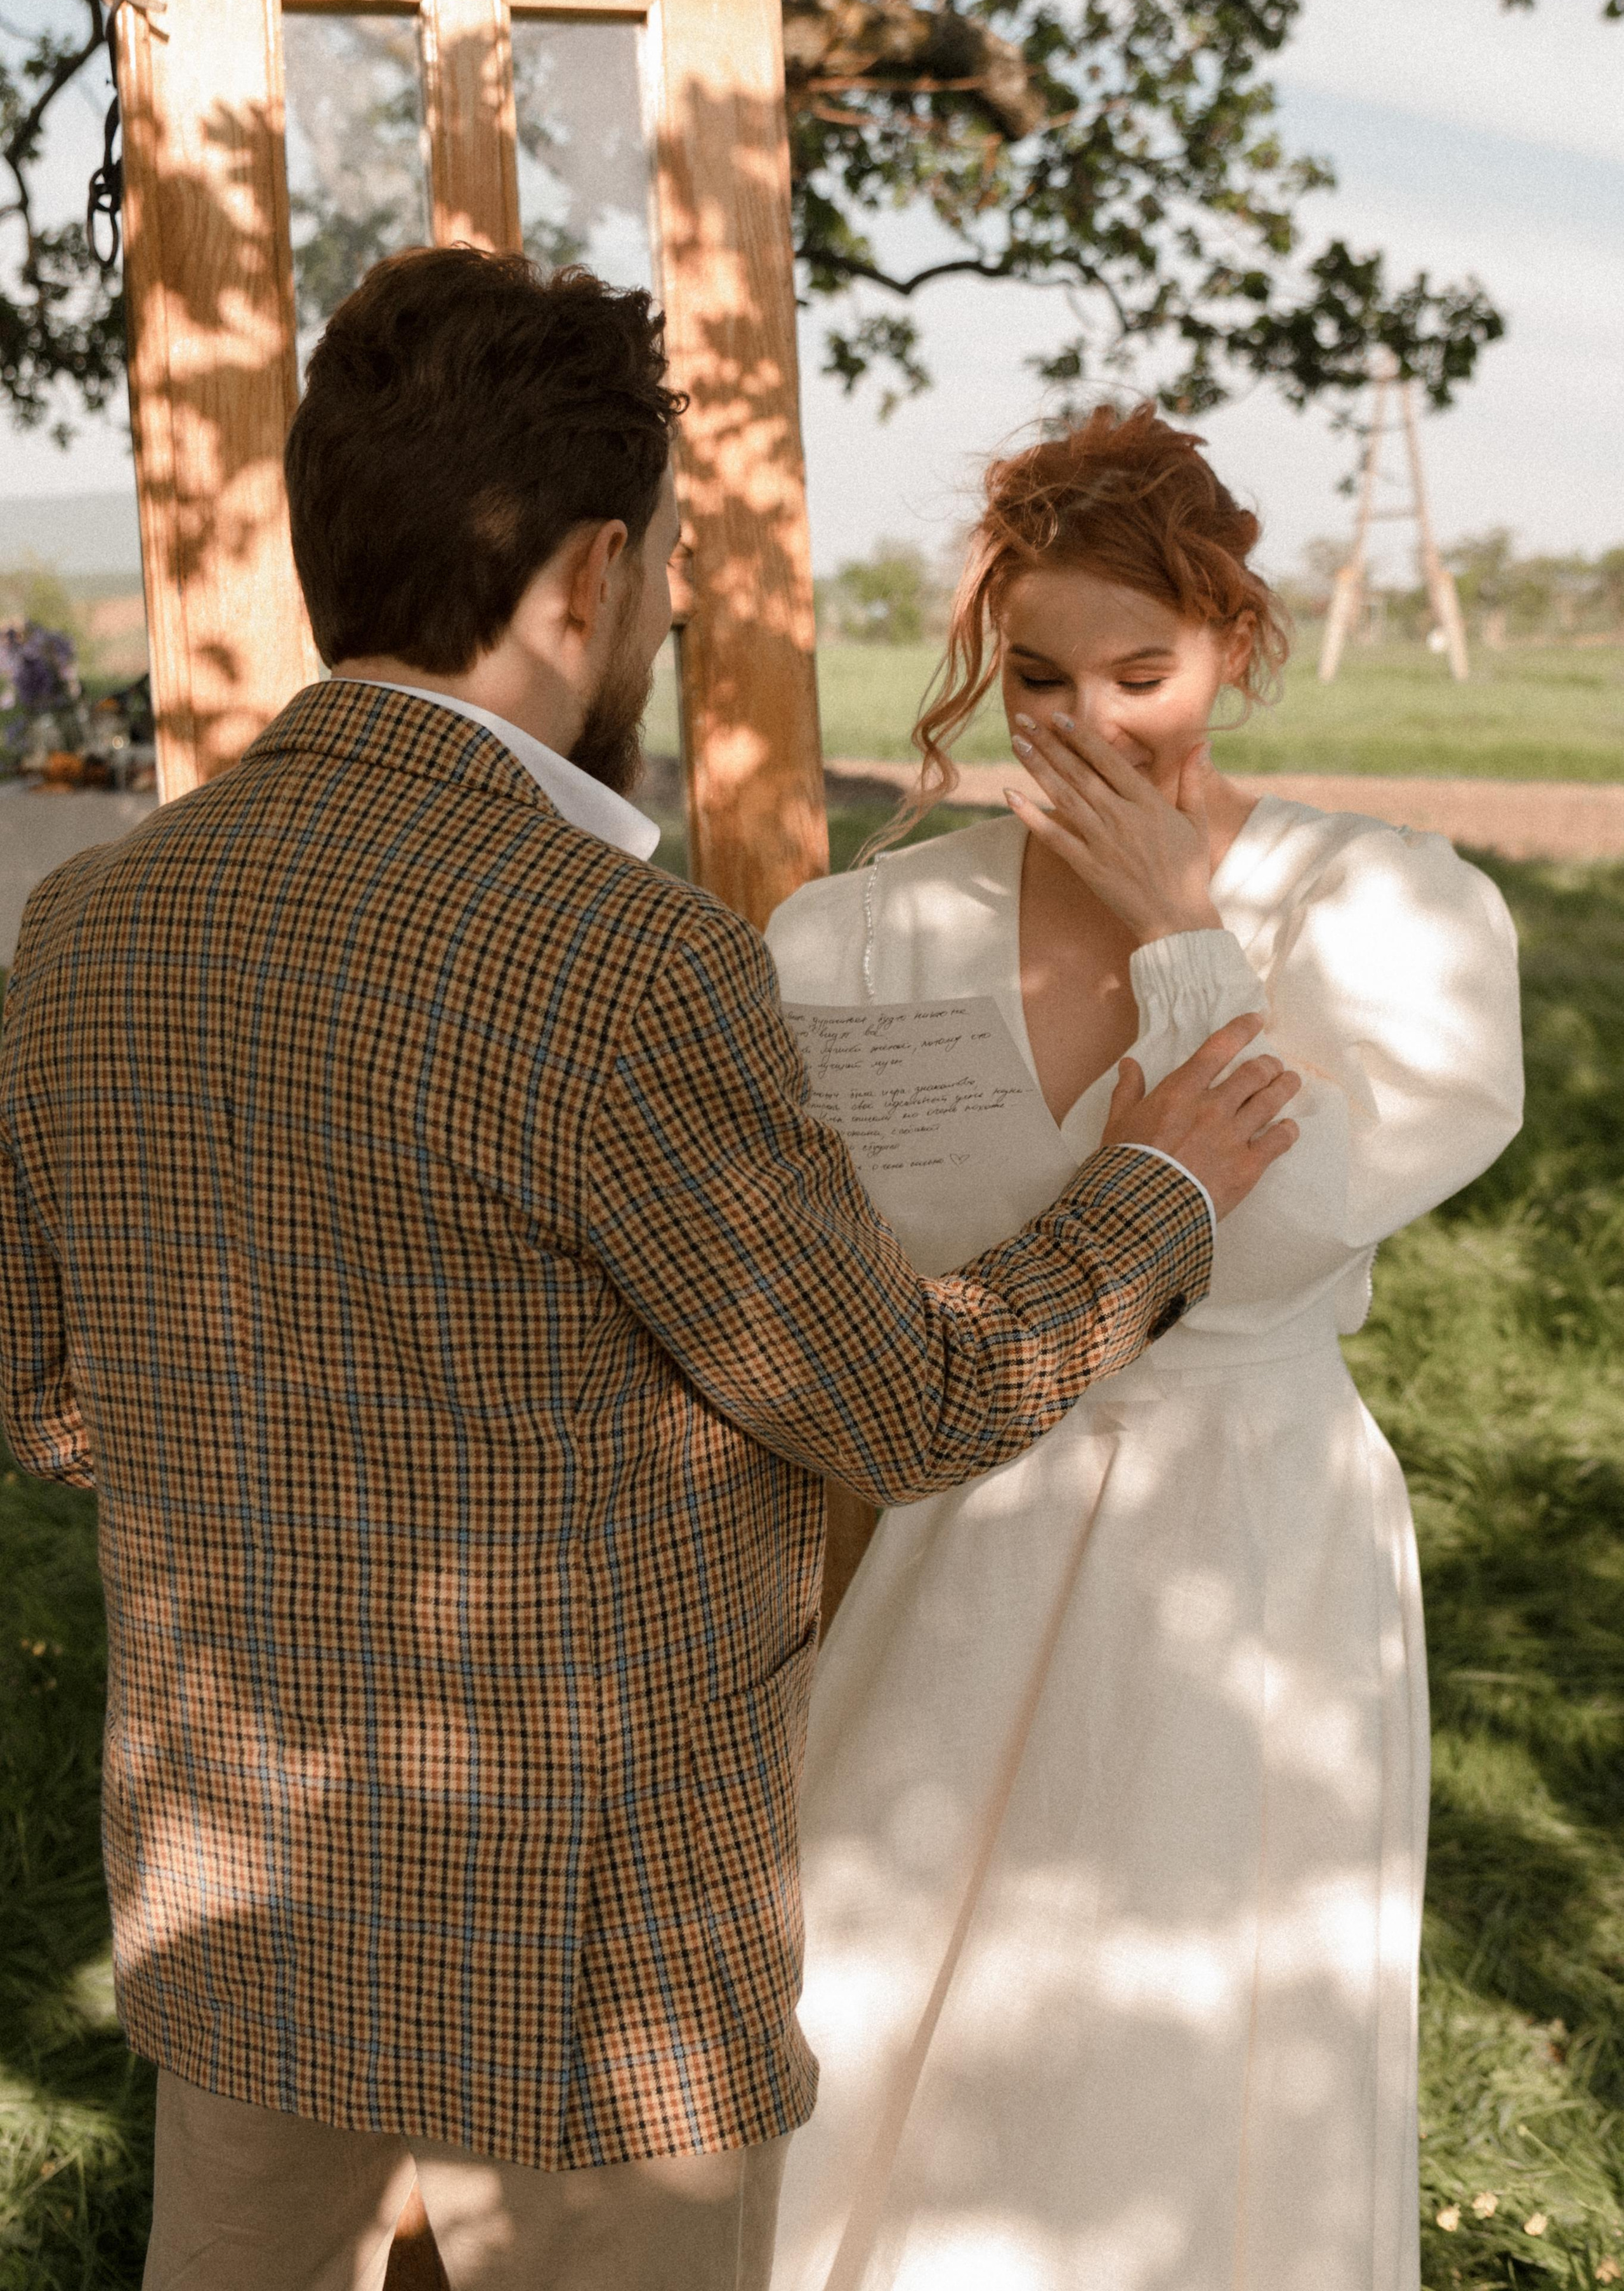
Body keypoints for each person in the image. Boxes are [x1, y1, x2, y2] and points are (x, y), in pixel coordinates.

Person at [0, 258, 1300, 2291]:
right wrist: (1157, 1186)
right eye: (680, 562)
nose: (683, 609)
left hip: (233, 1901)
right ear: (589, 577)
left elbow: (49, 1395)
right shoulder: (620, 958)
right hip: (590, 1974)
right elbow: (903, 1404)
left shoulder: (87, 925)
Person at [765, 403, 1524, 2291]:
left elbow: (1272, 1232)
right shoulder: (868, 934)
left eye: (1143, 674)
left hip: (1246, 1538)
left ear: (1240, 653)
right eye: (1035, 676)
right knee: (891, 1989)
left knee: (1184, 2031)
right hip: (965, 1506)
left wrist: (1190, 935)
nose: (1088, 724)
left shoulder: (1386, 910)